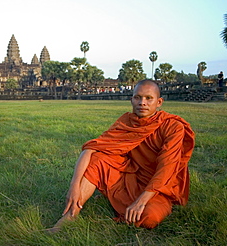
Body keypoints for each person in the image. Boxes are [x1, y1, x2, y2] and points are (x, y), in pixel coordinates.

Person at [49, 80, 195, 232]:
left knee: (149, 217)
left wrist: (141, 201)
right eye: (137, 97)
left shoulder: (172, 126)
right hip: (130, 177)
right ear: (131, 99)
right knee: (99, 159)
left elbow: (168, 167)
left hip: (157, 187)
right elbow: (90, 149)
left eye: (148, 98)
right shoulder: (127, 122)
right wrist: (74, 186)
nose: (142, 103)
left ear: (159, 102)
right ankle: (71, 215)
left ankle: (120, 202)